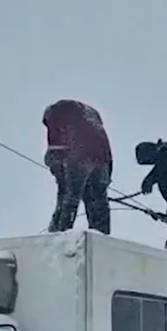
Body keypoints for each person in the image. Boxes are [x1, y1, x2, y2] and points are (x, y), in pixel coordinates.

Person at [42, 99, 113, 234]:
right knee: (99, 203)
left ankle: (59, 233)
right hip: (102, 161)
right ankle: (101, 236)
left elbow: (56, 149)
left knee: (68, 197)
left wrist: (56, 169)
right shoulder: (92, 116)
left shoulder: (54, 114)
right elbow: (106, 149)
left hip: (78, 157)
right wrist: (107, 176)